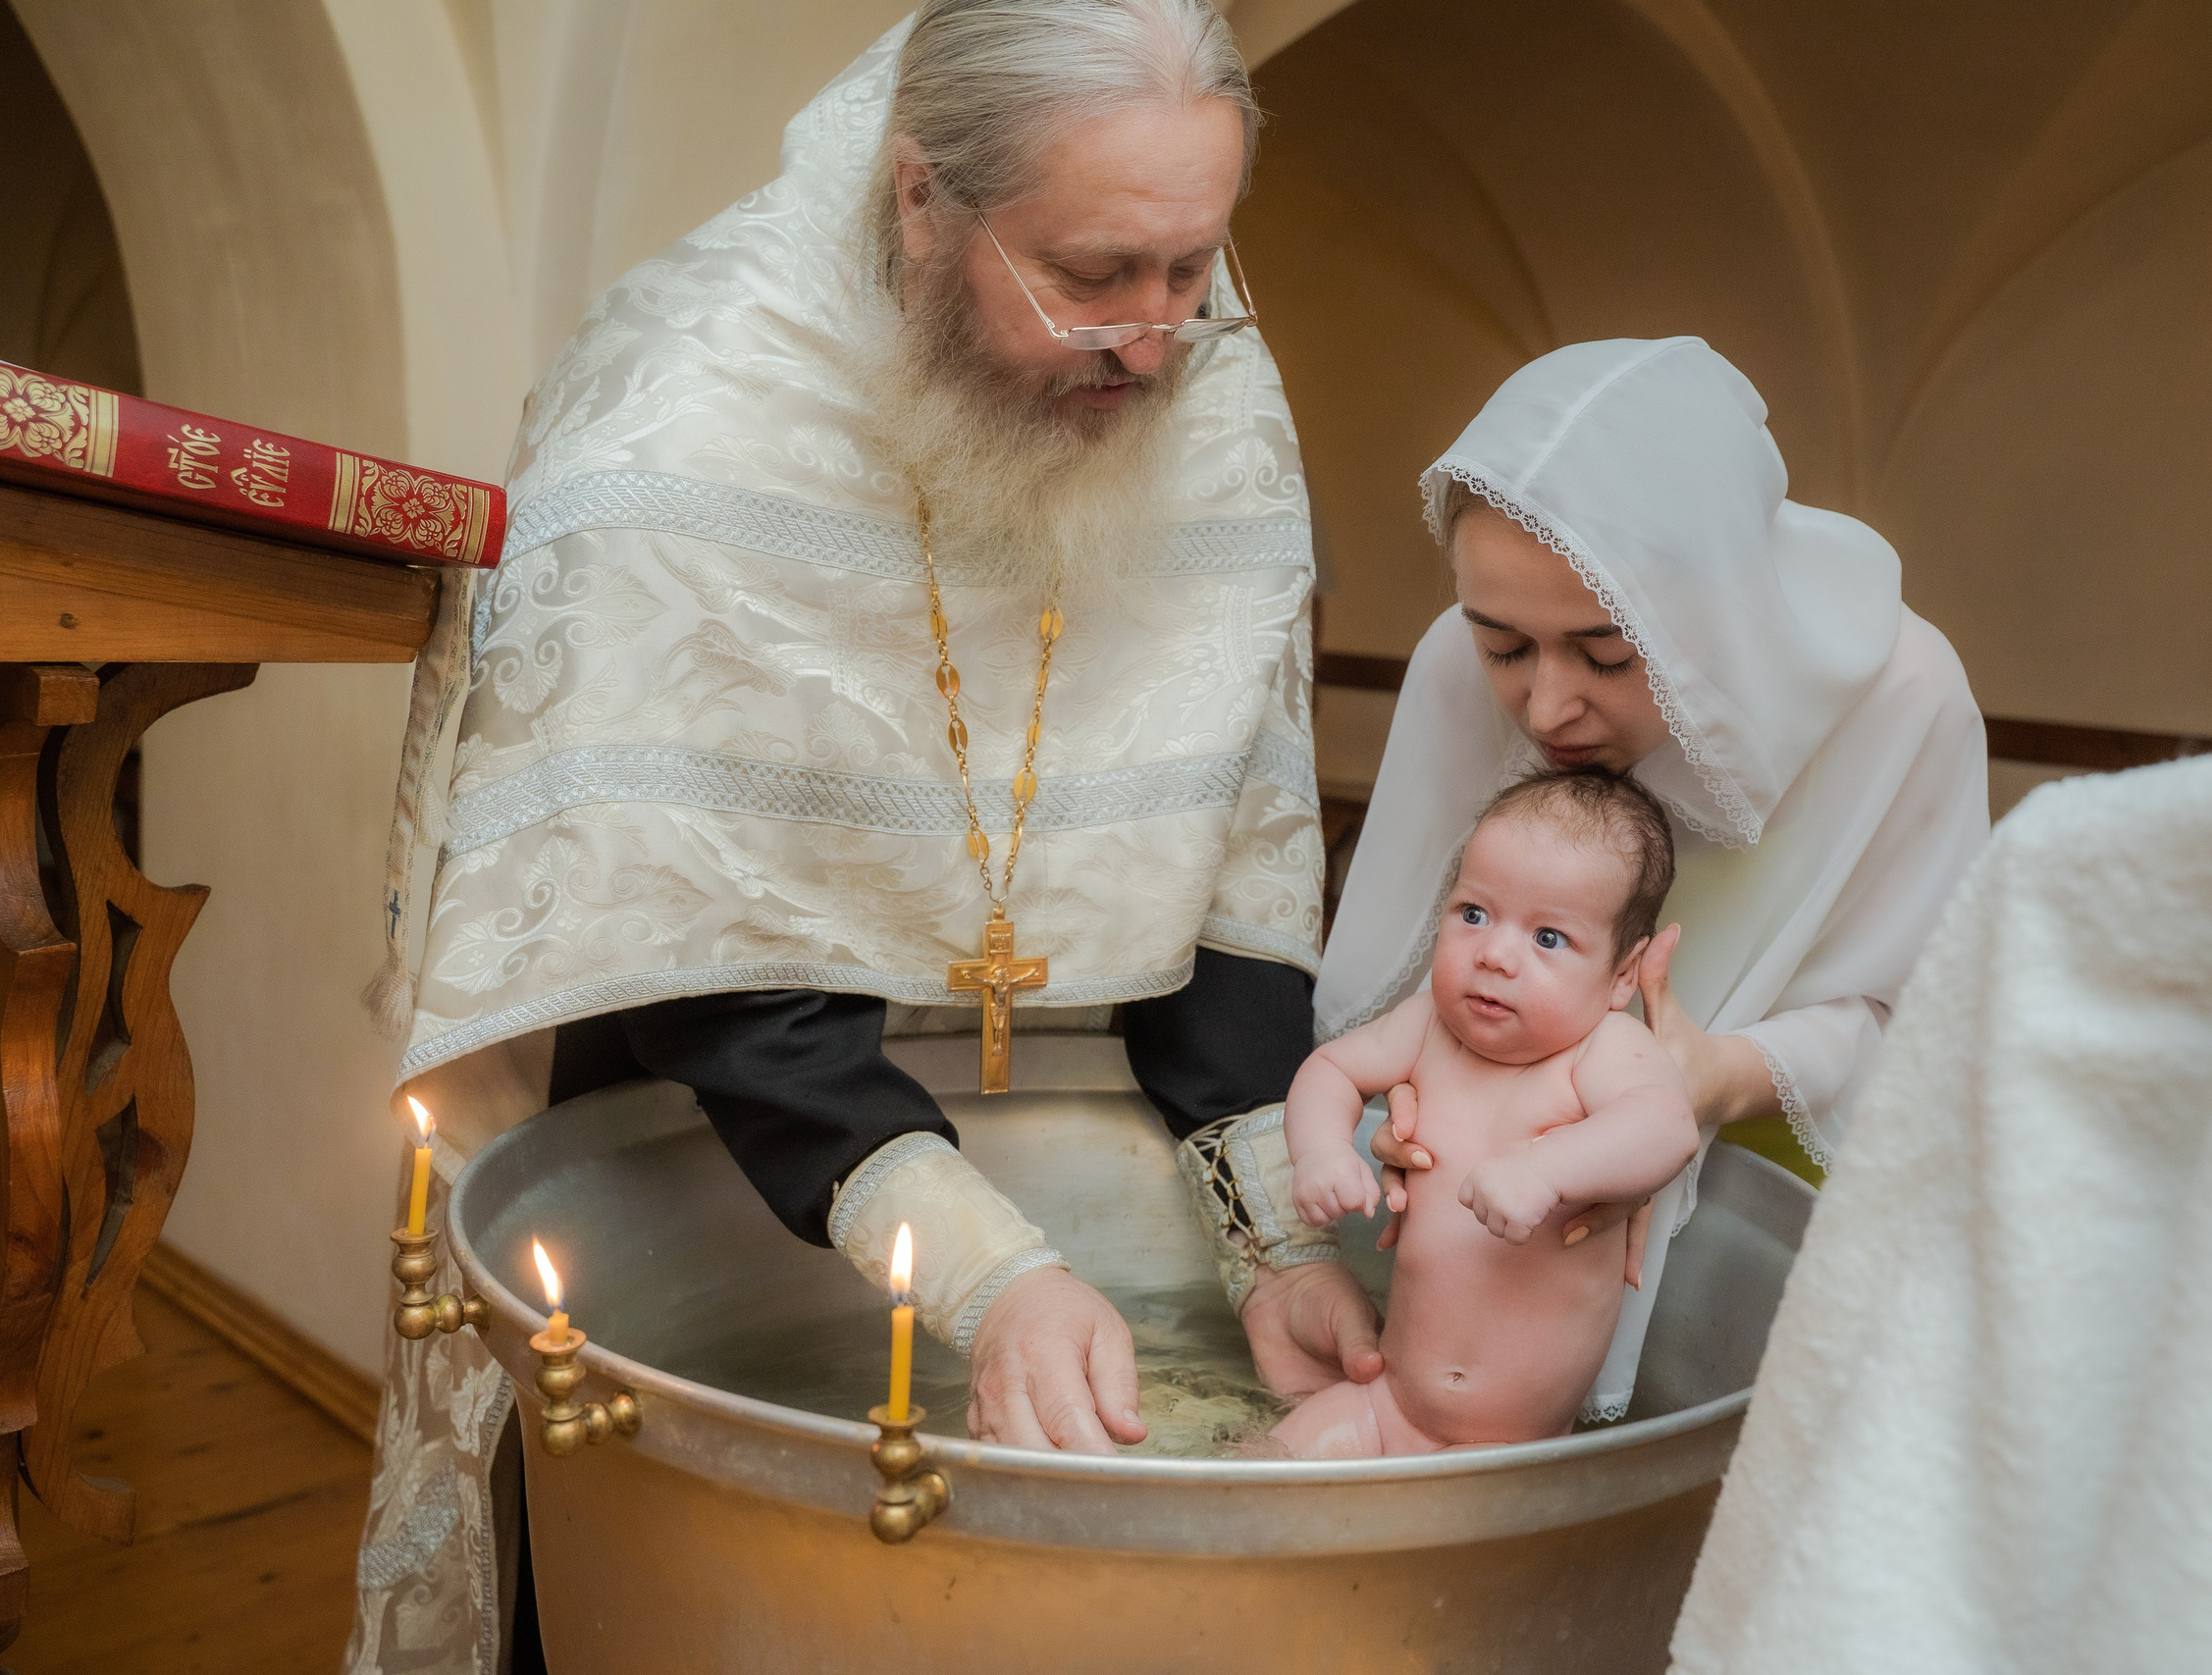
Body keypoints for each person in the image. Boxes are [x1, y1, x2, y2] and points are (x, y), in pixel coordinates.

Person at [350, 5, 1364, 1669]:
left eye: (1193, 267)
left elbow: (1226, 846)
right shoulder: (687, 411)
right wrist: (986, 1270)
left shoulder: (1215, 402)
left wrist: (1271, 1237)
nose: (1157, 338)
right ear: (921, 203)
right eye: (1097, 273)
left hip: (1069, 1107)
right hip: (717, 1134)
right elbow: (678, 904)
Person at [1177, 338, 1991, 1426]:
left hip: (1778, 1181)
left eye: (1607, 656)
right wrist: (1412, 1094)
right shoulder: (1450, 664)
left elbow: (1928, 1027)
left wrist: (1715, 1077)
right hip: (1463, 1230)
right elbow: (1401, 968)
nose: (1547, 708)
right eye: (1504, 647)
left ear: (1717, 607)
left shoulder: (1901, 701)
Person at [1271, 769, 1696, 1458]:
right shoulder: (1429, 1023)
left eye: (1548, 938)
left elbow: (1665, 1127)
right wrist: (1321, 1150)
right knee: (1265, 1471)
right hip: (1388, 1404)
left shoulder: (1604, 1050)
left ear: (1623, 975)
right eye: (1474, 913)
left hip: (1514, 1449)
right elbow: (1332, 1068)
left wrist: (1547, 1168)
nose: (1494, 955)